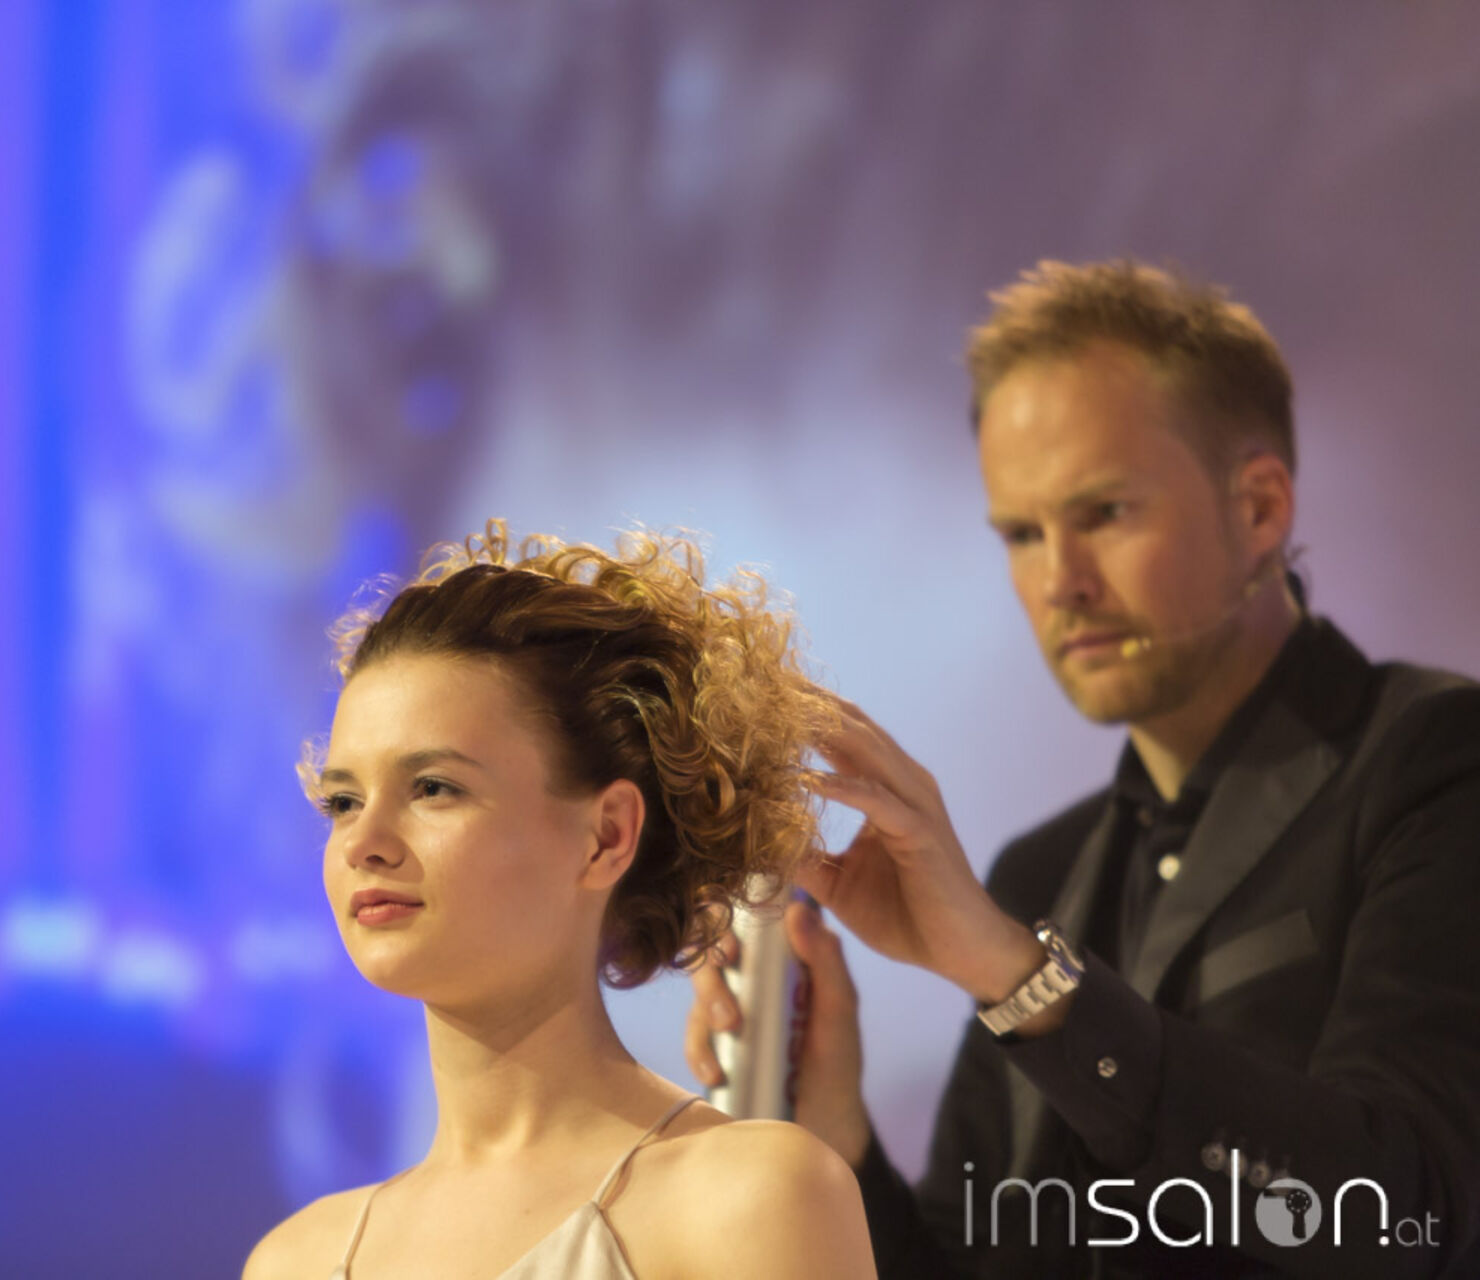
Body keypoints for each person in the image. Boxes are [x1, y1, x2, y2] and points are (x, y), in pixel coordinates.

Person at [686, 260, 1480, 1278]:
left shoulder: (1438, 761)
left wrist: (1029, 986)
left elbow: (1400, 1219)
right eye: (1022, 533)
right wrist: (834, 1134)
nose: (1059, 580)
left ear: (1260, 508)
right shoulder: (1039, 875)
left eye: (1104, 512)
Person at [244, 522, 878, 1279]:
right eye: (344, 801)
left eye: (434, 788)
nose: (363, 844)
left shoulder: (750, 1198)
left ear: (606, 836)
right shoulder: (295, 1261)